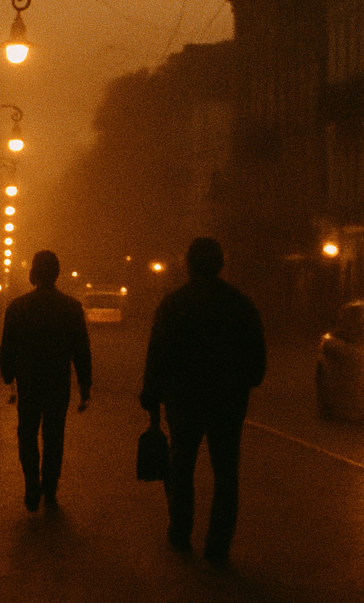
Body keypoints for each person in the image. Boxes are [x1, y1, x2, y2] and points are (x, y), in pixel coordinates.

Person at [140, 236, 267, 565]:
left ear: (189, 264)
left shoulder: (174, 304)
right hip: (228, 401)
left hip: (184, 400)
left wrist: (152, 396)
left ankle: (180, 531)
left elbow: (158, 353)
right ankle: (217, 545)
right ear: (221, 263)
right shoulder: (240, 304)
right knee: (226, 473)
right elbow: (256, 361)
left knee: (181, 465)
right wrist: (240, 383)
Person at [0, 250, 92, 511]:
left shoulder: (17, 307)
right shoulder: (71, 308)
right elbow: (81, 349)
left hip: (29, 381)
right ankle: (50, 485)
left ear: (33, 274)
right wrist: (85, 385)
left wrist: (8, 376)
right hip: (57, 383)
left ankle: (31, 481)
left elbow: (8, 347)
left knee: (27, 433)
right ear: (57, 274)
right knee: (54, 435)